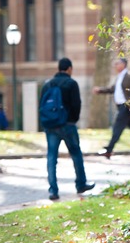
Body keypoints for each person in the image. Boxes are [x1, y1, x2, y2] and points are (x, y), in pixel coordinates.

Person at [40, 58, 95, 200]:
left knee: (52, 156)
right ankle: (81, 184)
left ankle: (53, 190)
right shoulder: (71, 83)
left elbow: (41, 105)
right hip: (67, 125)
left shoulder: (48, 84)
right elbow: (77, 104)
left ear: (59, 69)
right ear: (69, 69)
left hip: (51, 126)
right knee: (76, 153)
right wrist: (72, 120)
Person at [93, 58, 130, 159]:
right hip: (121, 107)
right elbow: (113, 89)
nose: (115, 65)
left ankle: (109, 149)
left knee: (117, 127)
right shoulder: (119, 77)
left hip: (126, 106)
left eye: (117, 63)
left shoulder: (129, 76)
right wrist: (100, 90)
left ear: (123, 64)